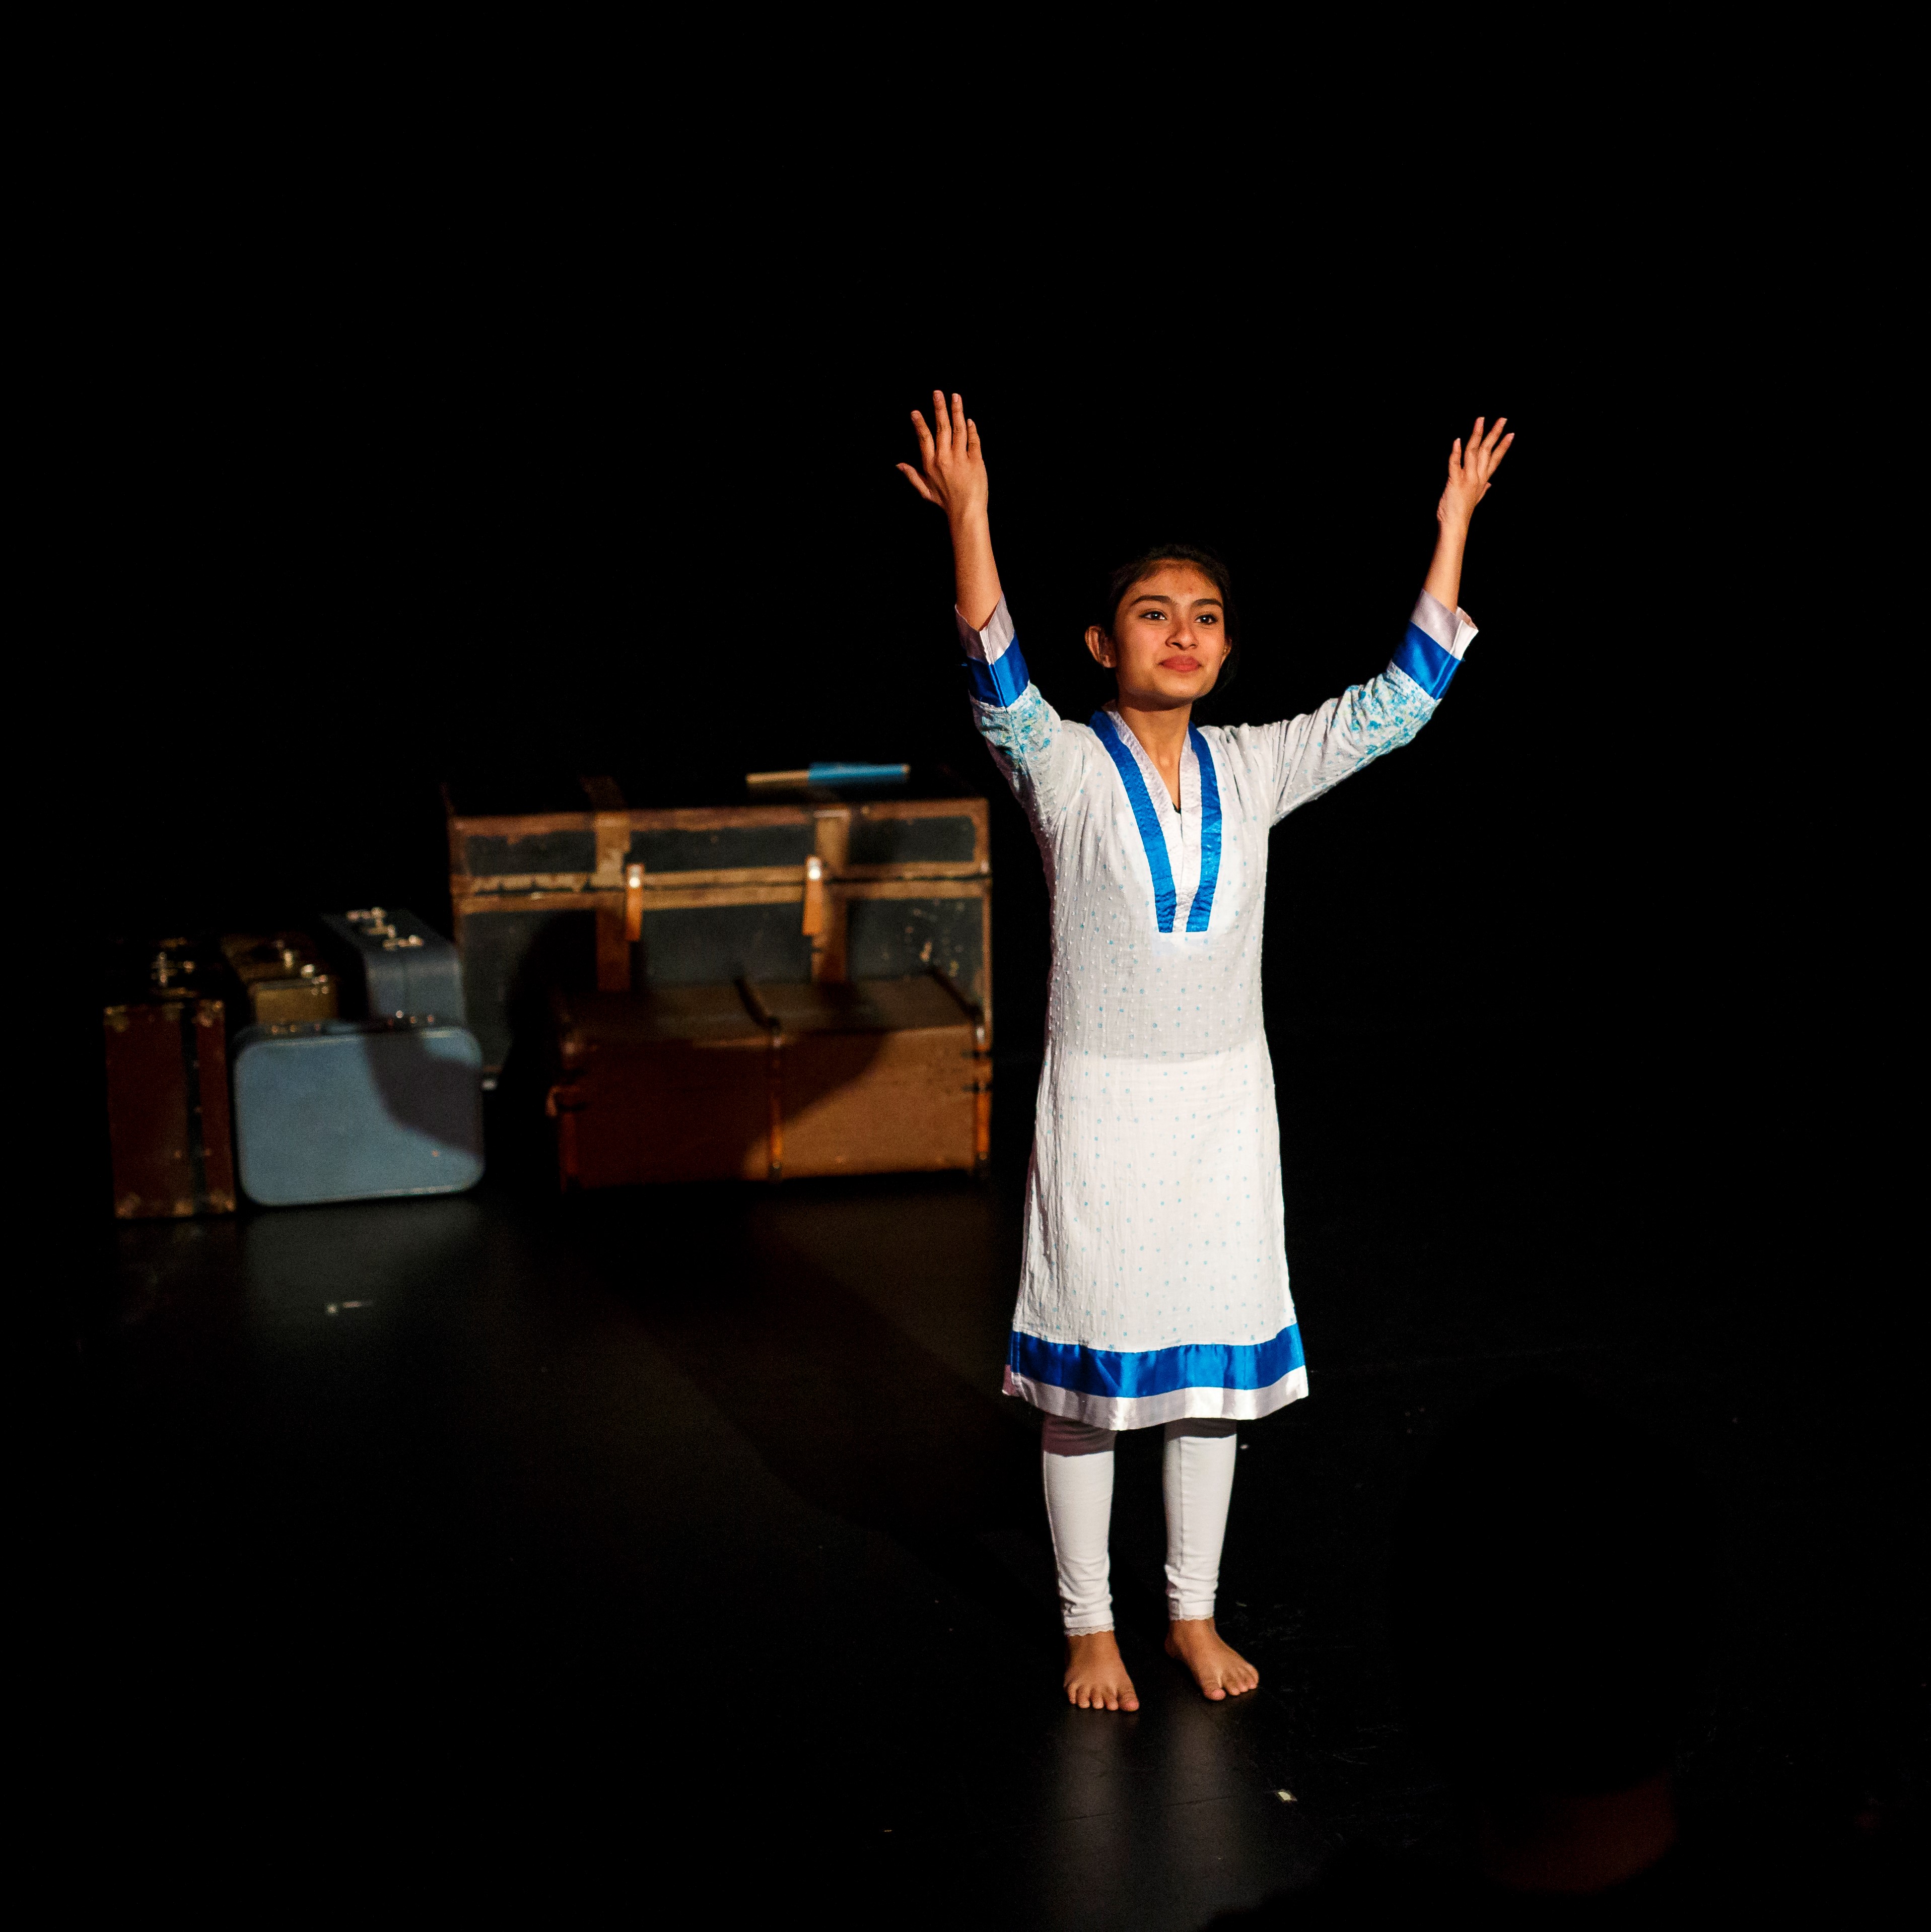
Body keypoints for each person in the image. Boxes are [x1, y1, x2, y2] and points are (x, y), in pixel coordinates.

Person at [898, 393, 1512, 1710]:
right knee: (1089, 1368)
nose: (1182, 633)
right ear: (1101, 641)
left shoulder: (1254, 765)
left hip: (1225, 1104)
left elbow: (1396, 705)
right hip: (1106, 1106)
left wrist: (1451, 526)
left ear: (1225, 649)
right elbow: (992, 670)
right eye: (1152, 613)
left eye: (1205, 616)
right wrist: (971, 515)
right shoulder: (1058, 764)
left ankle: (1189, 1611)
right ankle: (1086, 1623)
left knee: (1210, 1377)